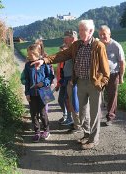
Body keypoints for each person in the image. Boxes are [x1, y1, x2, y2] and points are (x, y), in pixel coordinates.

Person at [31, 19, 110, 150]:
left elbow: (106, 70)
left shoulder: (98, 46)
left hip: (94, 83)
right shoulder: (76, 45)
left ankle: (93, 140)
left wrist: (101, 84)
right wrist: (44, 60)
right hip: (80, 82)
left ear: (90, 31)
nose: (79, 33)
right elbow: (62, 55)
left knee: (94, 112)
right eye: (79, 30)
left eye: (82, 30)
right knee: (83, 112)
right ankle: (86, 134)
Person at [24, 43, 54, 142]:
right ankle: (37, 132)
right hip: (32, 93)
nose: (29, 56)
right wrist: (27, 93)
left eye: (31, 54)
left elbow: (50, 77)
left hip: (44, 92)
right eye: (28, 54)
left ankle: (46, 130)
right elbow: (27, 80)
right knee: (34, 114)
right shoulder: (28, 65)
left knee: (43, 113)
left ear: (37, 54)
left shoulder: (45, 64)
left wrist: (44, 83)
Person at [98, 25, 126, 126]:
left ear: (109, 34)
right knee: (97, 95)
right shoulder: (98, 45)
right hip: (100, 75)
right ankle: (97, 115)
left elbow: (122, 62)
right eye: (100, 35)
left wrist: (121, 77)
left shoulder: (116, 46)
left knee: (112, 96)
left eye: (104, 34)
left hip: (113, 74)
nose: (102, 37)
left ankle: (110, 117)